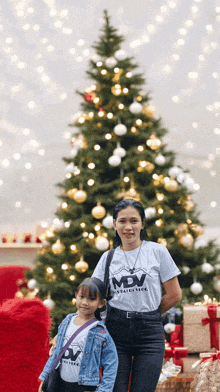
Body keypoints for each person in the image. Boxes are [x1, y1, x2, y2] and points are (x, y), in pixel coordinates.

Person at [92, 199, 182, 392]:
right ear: (114, 224)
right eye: (122, 221)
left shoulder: (157, 251)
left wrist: (149, 312)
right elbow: (92, 298)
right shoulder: (107, 258)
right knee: (114, 389)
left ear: (142, 223)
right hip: (115, 332)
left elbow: (174, 294)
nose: (128, 227)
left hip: (149, 334)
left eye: (134, 220)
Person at [38, 277, 118, 392]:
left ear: (101, 303)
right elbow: (56, 353)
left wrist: (104, 390)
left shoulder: (100, 331)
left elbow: (111, 363)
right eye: (81, 297)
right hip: (58, 384)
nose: (85, 302)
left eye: (91, 299)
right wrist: (45, 378)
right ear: (76, 295)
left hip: (83, 387)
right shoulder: (67, 321)